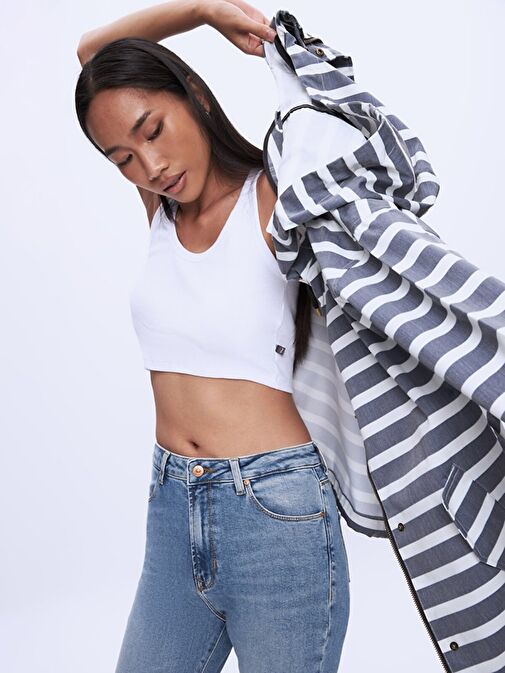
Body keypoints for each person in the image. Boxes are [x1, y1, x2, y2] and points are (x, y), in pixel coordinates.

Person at [75, 2, 360, 671]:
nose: (150, 165)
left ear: (195, 96)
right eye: (123, 158)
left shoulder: (275, 197)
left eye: (153, 129)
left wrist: (227, 26)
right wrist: (201, 8)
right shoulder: (163, 210)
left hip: (277, 513)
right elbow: (92, 58)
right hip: (171, 507)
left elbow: (343, 131)